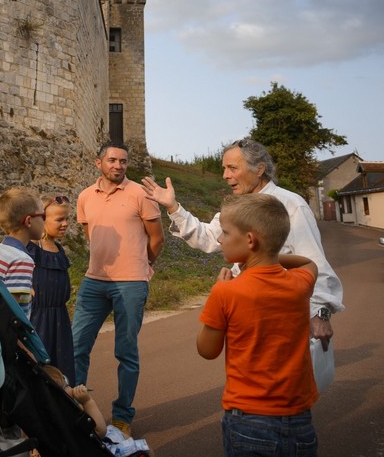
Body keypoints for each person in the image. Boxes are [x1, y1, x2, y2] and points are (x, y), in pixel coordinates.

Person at [141, 138, 343, 347]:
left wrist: (320, 314)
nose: (225, 175)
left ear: (259, 169)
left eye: (232, 168)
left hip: (283, 315)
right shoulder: (238, 206)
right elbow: (209, 237)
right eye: (224, 168)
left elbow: (314, 262)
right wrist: (173, 207)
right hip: (246, 313)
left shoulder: (291, 205)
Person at [197, 193, 321, 457]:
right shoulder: (299, 285)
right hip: (298, 416)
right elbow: (308, 264)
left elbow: (206, 350)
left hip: (247, 417)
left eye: (225, 233)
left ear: (250, 241)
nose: (219, 239)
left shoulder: (226, 291)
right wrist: (272, 256)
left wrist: (217, 292)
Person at [71, 141, 165, 436]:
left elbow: (157, 238)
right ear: (98, 163)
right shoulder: (85, 196)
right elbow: (91, 236)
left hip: (131, 283)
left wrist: (141, 266)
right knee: (75, 347)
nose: (118, 166)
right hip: (94, 281)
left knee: (126, 351)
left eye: (123, 161)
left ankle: (122, 415)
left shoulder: (140, 193)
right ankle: (75, 408)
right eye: (112, 160)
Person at [26, 195, 75, 383]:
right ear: (42, 220)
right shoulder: (31, 248)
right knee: (39, 373)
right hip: (38, 321)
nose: (65, 224)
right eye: (60, 219)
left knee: (62, 372)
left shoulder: (58, 249)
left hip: (60, 321)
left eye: (67, 218)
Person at [0, 187, 45, 319]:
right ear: (28, 221)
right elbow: (10, 312)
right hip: (7, 336)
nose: (44, 221)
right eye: (43, 216)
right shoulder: (22, 259)